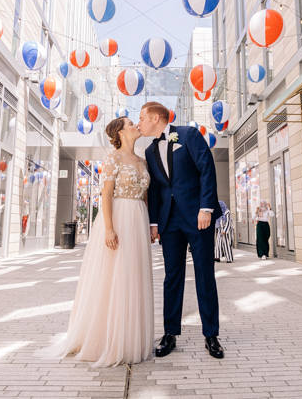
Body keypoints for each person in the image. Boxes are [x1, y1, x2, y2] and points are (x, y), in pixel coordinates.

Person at [37, 117, 154, 367]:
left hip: (139, 220)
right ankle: (108, 339)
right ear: (120, 132)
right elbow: (107, 194)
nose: (137, 125)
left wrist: (150, 225)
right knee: (114, 276)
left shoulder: (143, 161)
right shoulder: (114, 158)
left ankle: (131, 337)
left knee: (134, 276)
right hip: (119, 219)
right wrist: (109, 229)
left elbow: (145, 197)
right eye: (131, 123)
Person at [139, 102, 224, 359]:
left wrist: (206, 208)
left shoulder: (187, 134)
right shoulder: (149, 150)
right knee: (171, 277)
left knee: (204, 275)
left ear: (155, 118)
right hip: (169, 222)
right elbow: (155, 189)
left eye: (141, 118)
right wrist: (154, 223)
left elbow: (206, 169)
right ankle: (170, 333)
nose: (139, 122)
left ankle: (211, 335)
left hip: (199, 218)